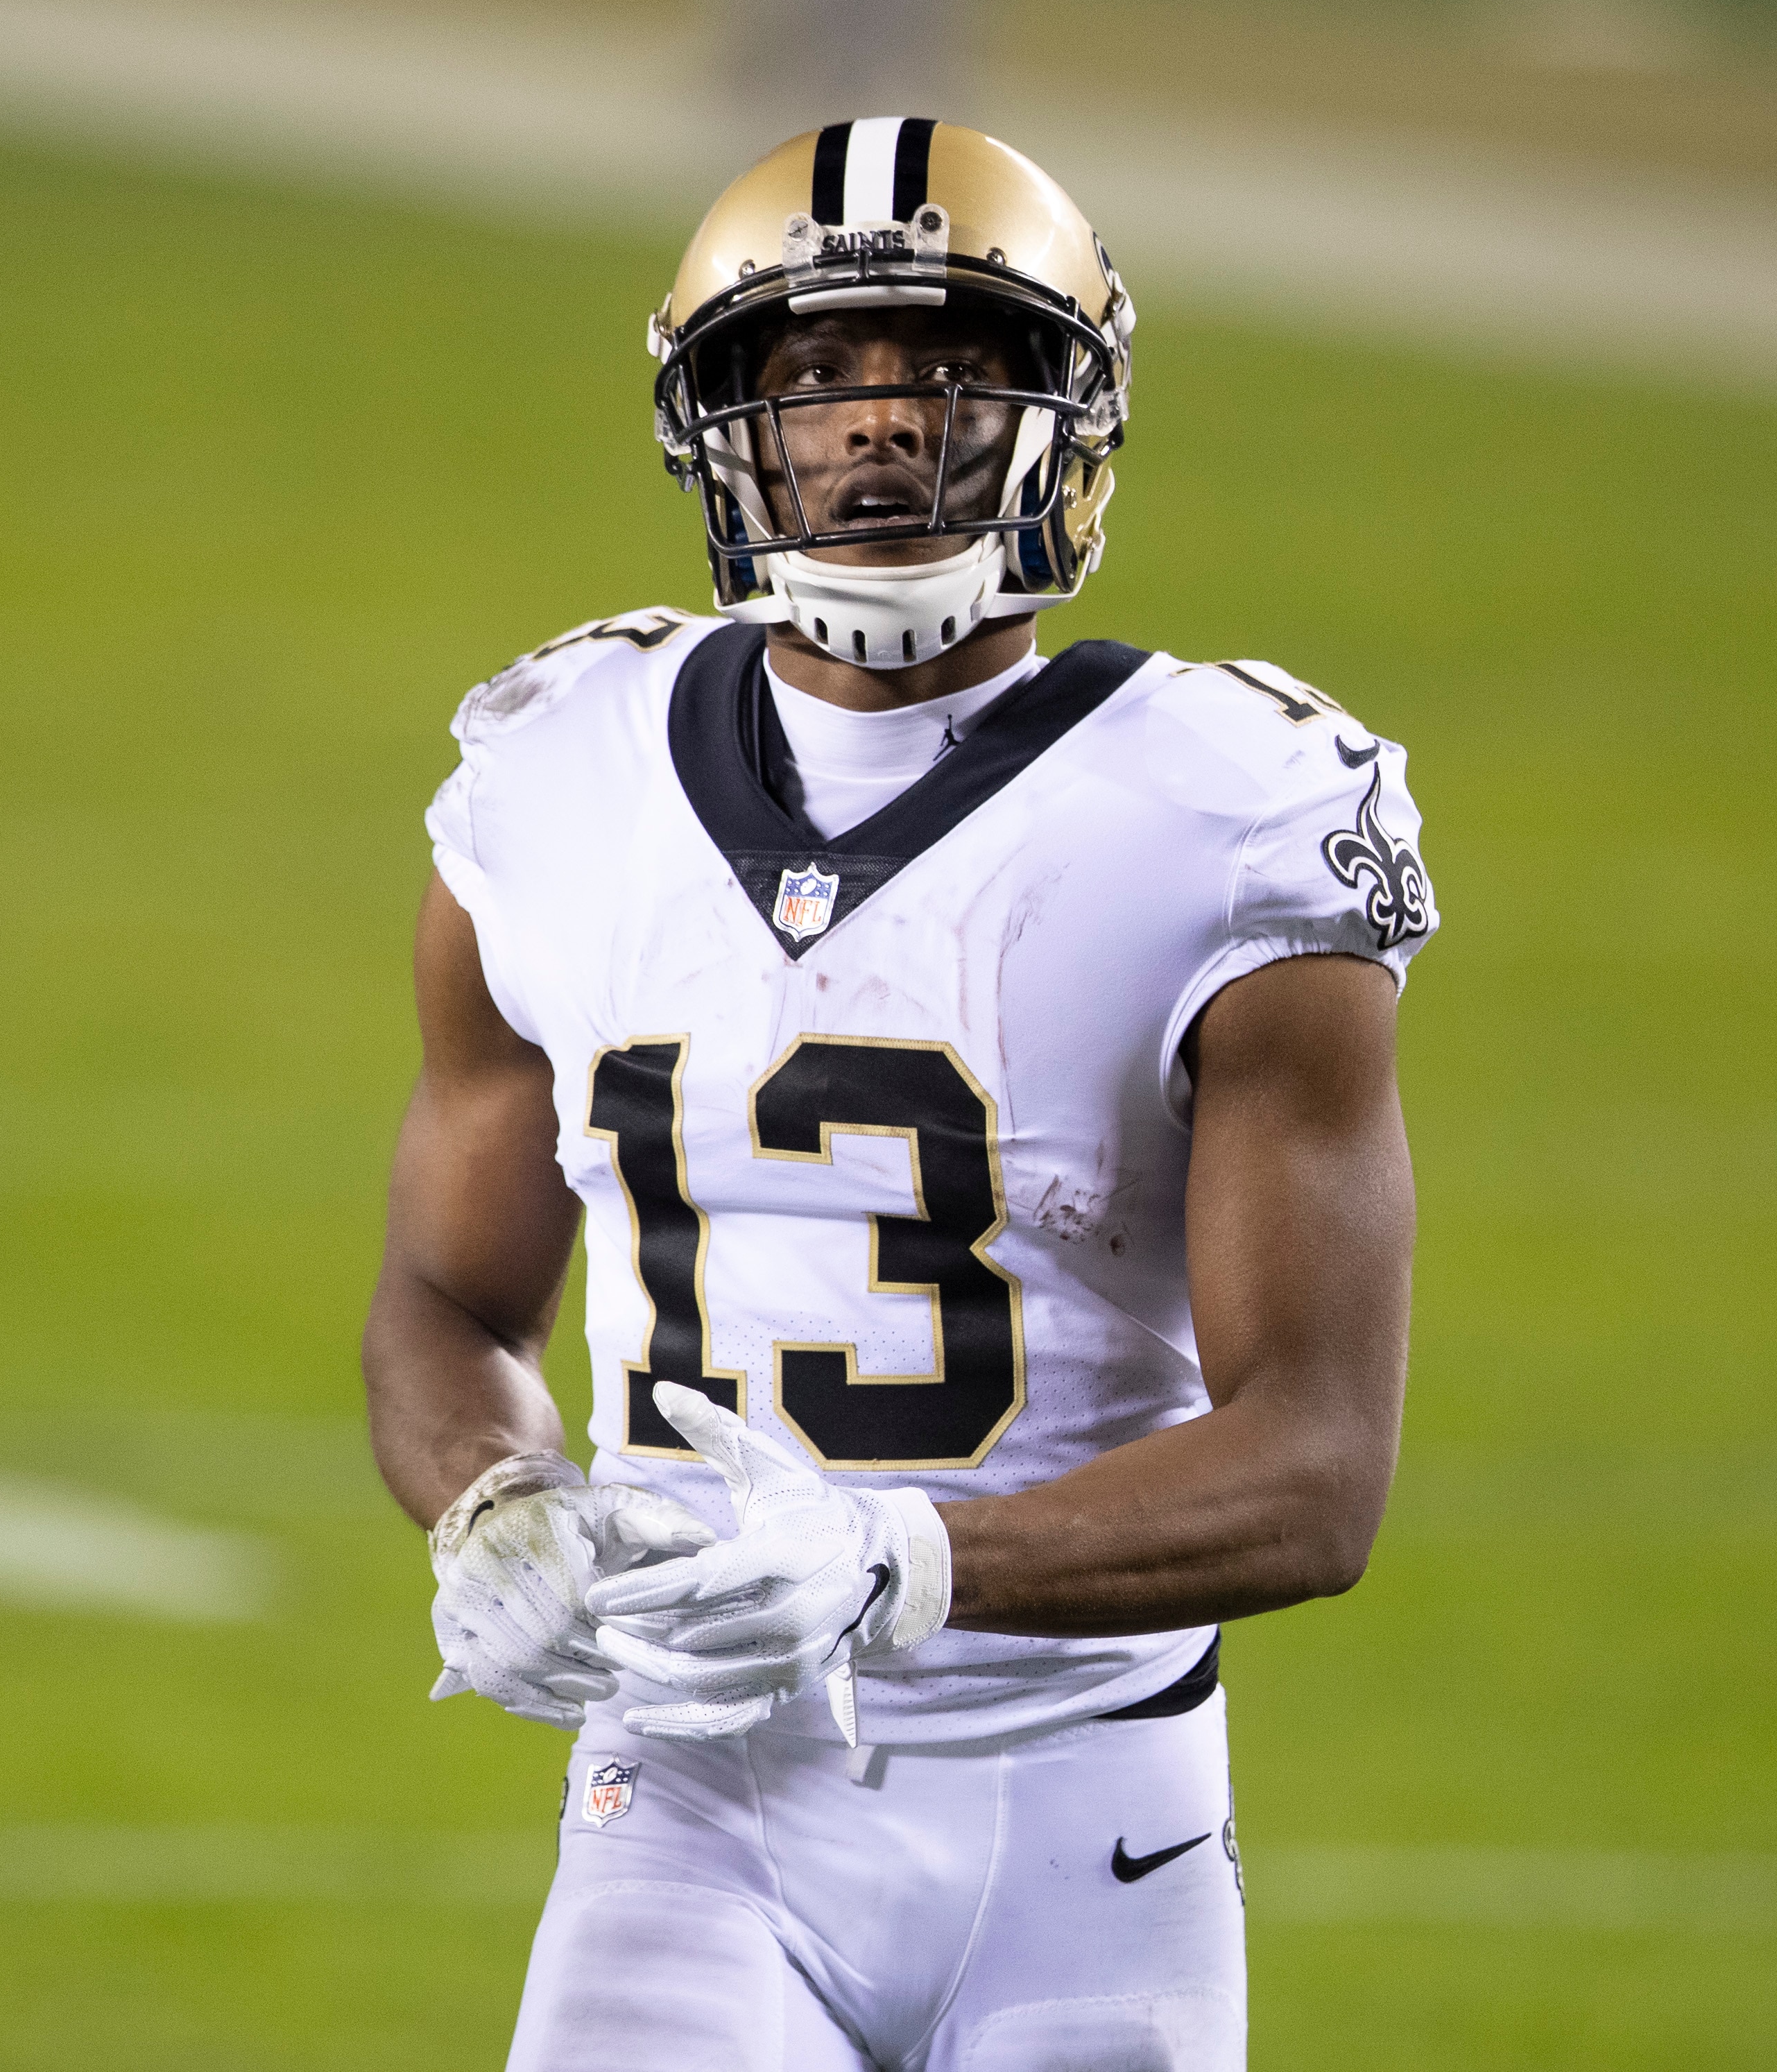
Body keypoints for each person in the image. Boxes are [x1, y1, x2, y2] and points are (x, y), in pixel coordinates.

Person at [362, 117, 1434, 2071]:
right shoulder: (551, 781)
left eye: (940, 371)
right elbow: (445, 1305)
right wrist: (497, 1503)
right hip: (685, 1798)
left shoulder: (1227, 814)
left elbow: (1320, 1468)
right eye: (816, 375)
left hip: (1081, 1817)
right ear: (724, 425)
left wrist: (903, 1559)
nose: (876, 427)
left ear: (1056, 421)